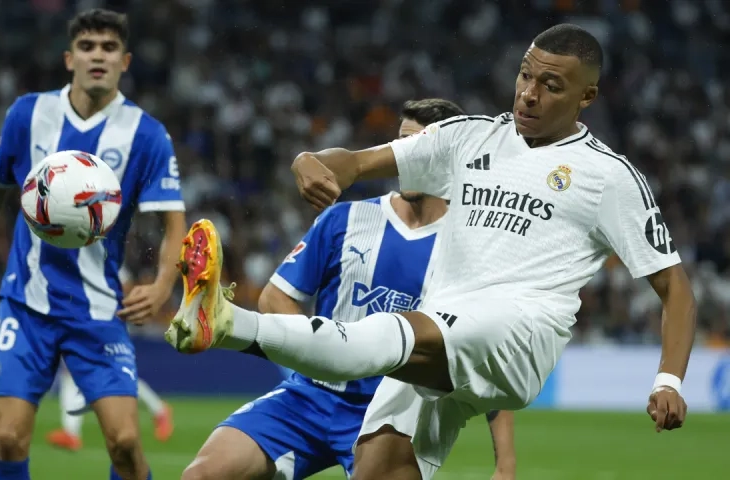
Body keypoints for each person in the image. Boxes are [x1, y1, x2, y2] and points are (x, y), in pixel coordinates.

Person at [165, 24, 696, 479]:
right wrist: (314, 160)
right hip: (449, 320)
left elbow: (673, 286)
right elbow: (356, 160)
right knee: (379, 465)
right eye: (525, 76)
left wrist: (668, 378)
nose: (529, 94)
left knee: (384, 334)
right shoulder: (469, 138)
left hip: (521, 328)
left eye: (551, 85)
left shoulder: (608, 177)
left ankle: (227, 321)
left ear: (587, 97)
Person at [180, 99, 516, 480]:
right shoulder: (346, 217)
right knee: (202, 476)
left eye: (418, 146)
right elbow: (275, 298)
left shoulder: (471, 247)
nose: (406, 156)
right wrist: (319, 354)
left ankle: (225, 322)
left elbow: (484, 353)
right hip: (309, 396)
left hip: (391, 417)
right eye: (401, 145)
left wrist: (505, 466)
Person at [0, 9, 187, 480]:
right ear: (70, 58)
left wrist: (165, 283)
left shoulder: (146, 135)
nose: (97, 56)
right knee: (8, 438)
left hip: (99, 309)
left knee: (125, 444)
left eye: (108, 48)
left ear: (125, 61)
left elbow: (174, 225)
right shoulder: (28, 114)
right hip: (27, 303)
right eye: (87, 47)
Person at [47, 268, 174, 451]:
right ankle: (71, 432)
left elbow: (125, 289)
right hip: (90, 322)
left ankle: (160, 410)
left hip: (107, 323)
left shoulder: (110, 259)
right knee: (73, 371)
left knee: (118, 373)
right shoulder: (84, 258)